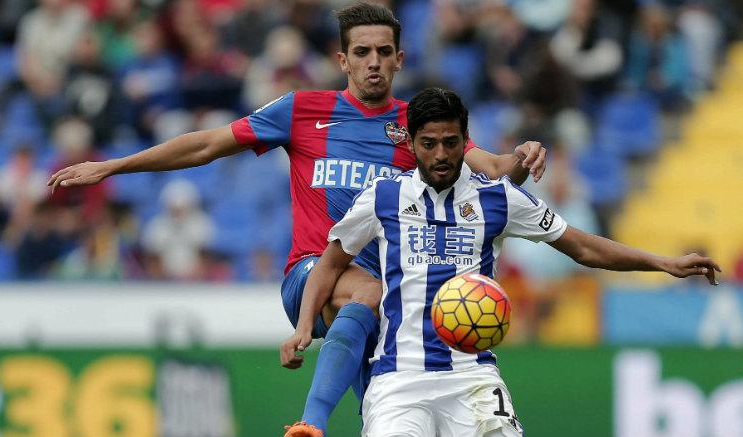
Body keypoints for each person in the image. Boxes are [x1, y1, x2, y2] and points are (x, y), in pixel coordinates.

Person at [46, 1, 549, 433]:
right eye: (361, 52)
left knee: (386, 403)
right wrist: (113, 166)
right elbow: (206, 144)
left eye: (382, 53)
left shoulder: (420, 127)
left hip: (391, 298)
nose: (372, 63)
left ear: (399, 58)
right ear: (342, 59)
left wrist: (522, 156)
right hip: (314, 271)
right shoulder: (301, 110)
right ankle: (310, 423)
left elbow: (494, 171)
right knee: (364, 294)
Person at [281, 87, 720, 437]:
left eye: (451, 142)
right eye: (428, 143)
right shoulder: (383, 197)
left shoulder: (500, 199)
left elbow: (582, 246)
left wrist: (663, 263)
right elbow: (330, 263)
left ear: (464, 140)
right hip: (398, 380)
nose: (440, 154)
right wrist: (304, 328)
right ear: (411, 143)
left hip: (472, 378)